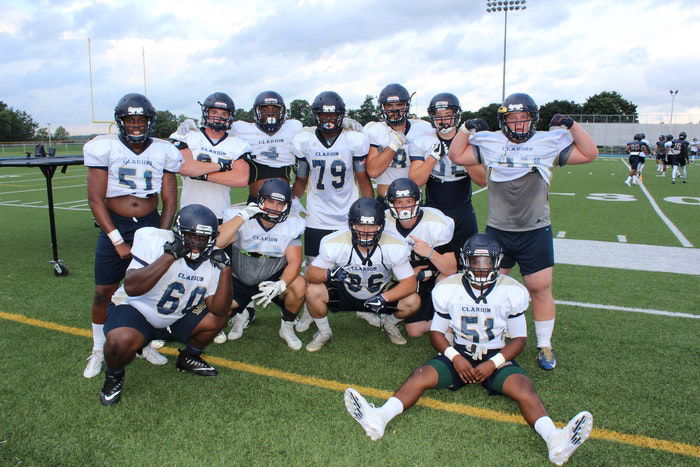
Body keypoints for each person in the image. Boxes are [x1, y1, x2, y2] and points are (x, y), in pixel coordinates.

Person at [343, 234, 593, 466]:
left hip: (495, 355)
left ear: (497, 263)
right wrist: (456, 358)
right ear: (466, 262)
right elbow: (437, 333)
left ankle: (554, 440)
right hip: (458, 352)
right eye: (476, 261)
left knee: (524, 390)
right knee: (419, 376)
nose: (481, 267)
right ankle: (380, 418)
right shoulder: (449, 288)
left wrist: (493, 363)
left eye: (487, 262)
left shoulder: (512, 290)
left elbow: (518, 340)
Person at [448, 93, 598, 370]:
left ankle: (544, 344)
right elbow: (456, 154)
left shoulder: (547, 142)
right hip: (498, 231)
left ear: (533, 119)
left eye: (523, 118)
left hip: (535, 229)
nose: (518, 124)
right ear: (503, 121)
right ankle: (489, 336)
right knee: (485, 288)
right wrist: (466, 128)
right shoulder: (492, 142)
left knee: (539, 288)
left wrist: (572, 124)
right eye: (512, 118)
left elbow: (590, 153)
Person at [84, 93, 181, 379]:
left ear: (150, 121)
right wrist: (116, 239)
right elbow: (95, 199)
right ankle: (99, 349)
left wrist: (161, 235)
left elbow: (170, 200)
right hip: (116, 223)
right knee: (104, 292)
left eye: (141, 119)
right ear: (121, 121)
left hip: (150, 225)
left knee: (149, 289)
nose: (136, 124)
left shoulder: (164, 151)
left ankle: (146, 343)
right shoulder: (104, 147)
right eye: (130, 119)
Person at [99, 204, 233, 405]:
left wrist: (225, 271)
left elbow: (220, 309)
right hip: (137, 311)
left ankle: (188, 356)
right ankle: (114, 376)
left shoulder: (213, 259)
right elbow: (132, 287)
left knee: (220, 315)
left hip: (177, 317)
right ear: (178, 232)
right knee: (120, 340)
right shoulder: (155, 242)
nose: (197, 243)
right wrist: (169, 256)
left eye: (204, 238)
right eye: (191, 236)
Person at [290, 91, 374, 331]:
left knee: (360, 264)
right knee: (313, 267)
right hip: (318, 213)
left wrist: (370, 208)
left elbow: (362, 177)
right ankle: (310, 310)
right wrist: (291, 199)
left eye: (333, 113)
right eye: (323, 113)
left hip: (348, 212)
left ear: (341, 115)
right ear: (315, 115)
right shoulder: (304, 140)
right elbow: (301, 179)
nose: (328, 118)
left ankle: (362, 306)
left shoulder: (353, 140)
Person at [304, 197, 419, 351]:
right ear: (351, 224)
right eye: (360, 225)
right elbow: (310, 274)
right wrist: (330, 274)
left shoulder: (394, 244)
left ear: (381, 225)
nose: (365, 231)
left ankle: (388, 323)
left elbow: (410, 283)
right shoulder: (335, 241)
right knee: (313, 290)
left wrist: (384, 298)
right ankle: (324, 332)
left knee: (413, 301)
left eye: (371, 225)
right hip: (345, 291)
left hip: (379, 292)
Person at [215, 178, 306, 349]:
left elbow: (295, 261)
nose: (274, 208)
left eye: (280, 204)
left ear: (287, 205)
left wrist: (281, 284)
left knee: (299, 285)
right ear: (260, 200)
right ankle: (241, 312)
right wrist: (242, 217)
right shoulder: (243, 217)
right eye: (270, 201)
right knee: (218, 311)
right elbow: (217, 243)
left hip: (272, 275)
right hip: (240, 276)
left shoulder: (292, 224)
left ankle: (286, 326)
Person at [374, 177, 456, 338]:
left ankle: (448, 322)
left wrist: (429, 252)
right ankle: (445, 323)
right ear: (391, 204)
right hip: (407, 278)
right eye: (399, 202)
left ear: (417, 201)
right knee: (414, 331)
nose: (405, 207)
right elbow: (380, 264)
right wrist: (408, 273)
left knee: (446, 280)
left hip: (435, 274)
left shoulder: (436, 222)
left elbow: (451, 268)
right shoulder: (384, 223)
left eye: (409, 201)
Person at [408, 92, 487, 252]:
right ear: (432, 117)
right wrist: (432, 157)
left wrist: (462, 155)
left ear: (456, 116)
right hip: (433, 209)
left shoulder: (472, 140)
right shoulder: (423, 141)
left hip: (463, 210)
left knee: (468, 257)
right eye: (438, 115)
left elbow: (483, 181)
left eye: (448, 114)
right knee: (433, 260)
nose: (443, 120)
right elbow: (415, 181)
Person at [171, 92, 253, 221]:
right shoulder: (189, 136)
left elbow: (240, 179)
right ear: (206, 113)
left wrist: (203, 174)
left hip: (220, 214)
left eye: (223, 114)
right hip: (188, 212)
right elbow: (185, 167)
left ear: (230, 117)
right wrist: (221, 166)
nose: (218, 117)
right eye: (214, 112)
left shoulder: (238, 144)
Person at [364, 83, 434, 203]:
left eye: (399, 105)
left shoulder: (423, 128)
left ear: (407, 105)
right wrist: (394, 145)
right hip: (386, 200)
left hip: (413, 200)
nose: (394, 110)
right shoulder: (374, 130)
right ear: (383, 107)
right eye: (389, 105)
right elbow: (373, 171)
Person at [230, 91, 302, 202]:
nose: (270, 114)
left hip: (282, 201)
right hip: (255, 200)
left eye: (275, 110)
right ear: (257, 112)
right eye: (264, 110)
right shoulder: (242, 129)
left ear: (282, 112)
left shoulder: (293, 127)